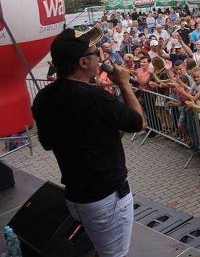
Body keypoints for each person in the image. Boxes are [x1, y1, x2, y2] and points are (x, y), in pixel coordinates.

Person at [32, 27, 146, 257]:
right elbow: (139, 123)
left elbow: (46, 142)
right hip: (107, 199)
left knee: (99, 246)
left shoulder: (43, 98)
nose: (102, 58)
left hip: (76, 196)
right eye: (96, 54)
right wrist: (123, 83)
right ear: (84, 63)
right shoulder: (98, 98)